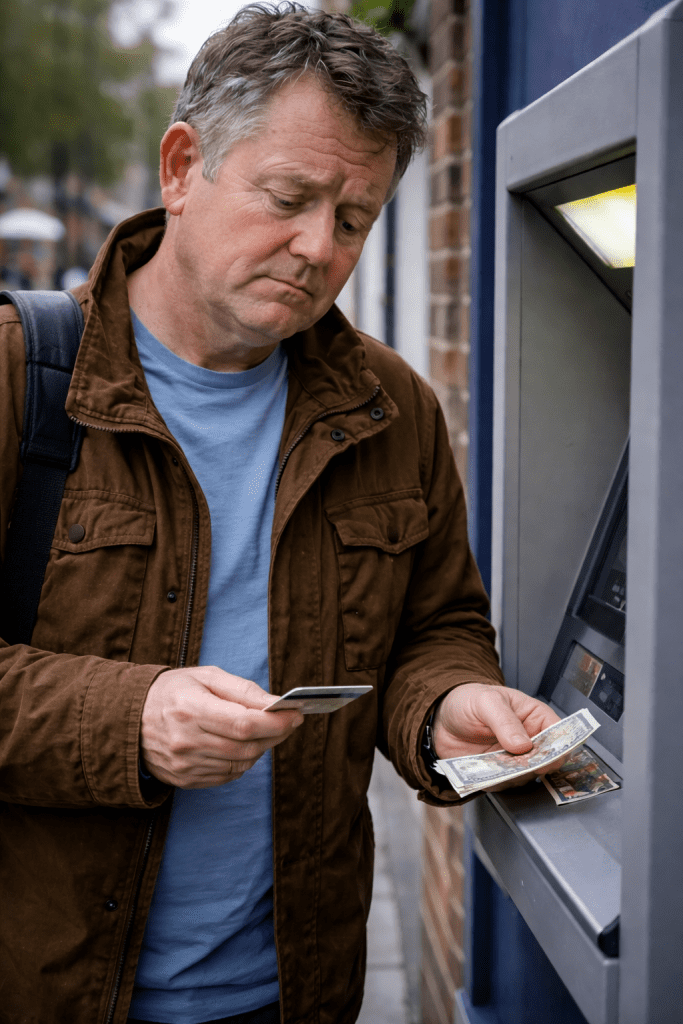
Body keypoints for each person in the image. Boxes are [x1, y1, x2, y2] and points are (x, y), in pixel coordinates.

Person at [0, 5, 561, 1023]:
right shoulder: (17, 376)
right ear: (181, 166)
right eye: (289, 197)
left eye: (353, 219)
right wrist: (129, 716)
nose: (317, 246)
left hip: (293, 988)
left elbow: (430, 631)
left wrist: (445, 710)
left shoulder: (390, 411)